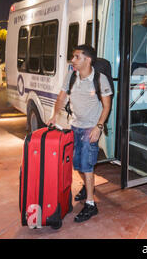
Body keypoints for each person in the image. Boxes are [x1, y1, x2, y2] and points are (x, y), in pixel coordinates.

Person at [47, 45, 112, 223]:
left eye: (76, 57)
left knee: (86, 166)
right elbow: (61, 98)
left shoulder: (100, 79)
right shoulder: (71, 77)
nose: (72, 60)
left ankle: (91, 204)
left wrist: (99, 127)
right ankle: (86, 187)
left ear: (87, 59)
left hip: (90, 129)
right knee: (77, 164)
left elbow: (107, 105)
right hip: (74, 126)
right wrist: (54, 116)